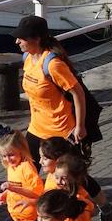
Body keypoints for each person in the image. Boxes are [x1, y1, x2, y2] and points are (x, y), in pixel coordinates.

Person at [13, 16, 88, 164]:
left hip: (60, 132)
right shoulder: (27, 58)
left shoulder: (53, 65)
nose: (17, 42)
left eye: (21, 38)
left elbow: (78, 93)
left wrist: (80, 126)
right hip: (36, 128)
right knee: (28, 173)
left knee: (69, 178)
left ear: (37, 39)